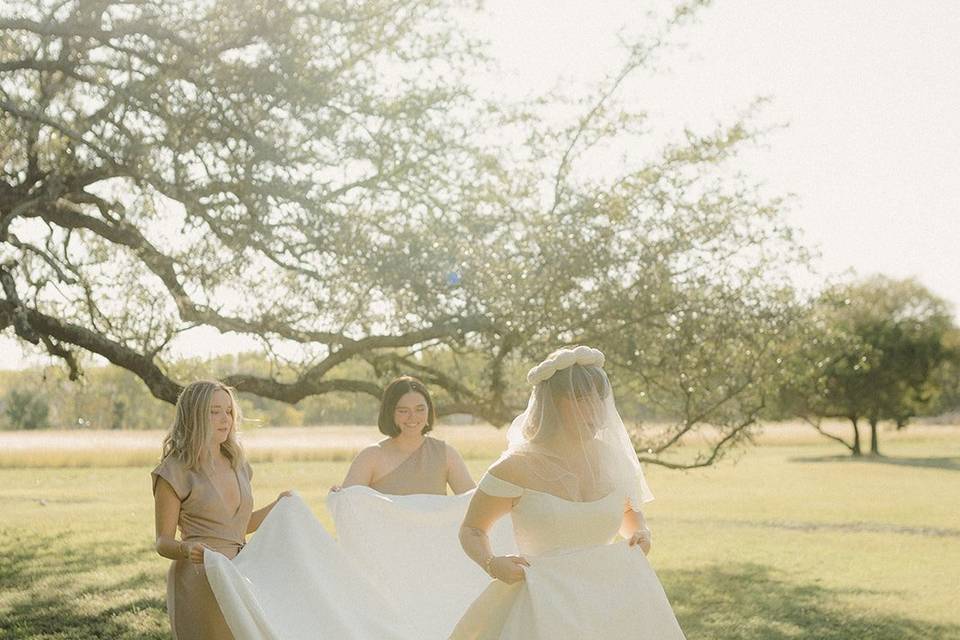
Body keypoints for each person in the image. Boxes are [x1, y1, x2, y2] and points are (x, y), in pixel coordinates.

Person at [451, 346, 686, 639]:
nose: (595, 408)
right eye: (580, 398)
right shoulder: (514, 468)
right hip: (543, 604)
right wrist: (492, 563)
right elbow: (472, 529)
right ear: (551, 403)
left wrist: (640, 532)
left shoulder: (612, 458)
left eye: (599, 398)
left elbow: (627, 510)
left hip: (612, 599)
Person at [152, 380, 291, 640]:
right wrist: (187, 549)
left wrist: (279, 506)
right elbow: (162, 542)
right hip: (200, 578)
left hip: (242, 574)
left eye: (228, 411)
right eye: (214, 411)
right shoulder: (174, 471)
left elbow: (239, 525)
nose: (224, 419)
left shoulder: (238, 464)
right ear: (194, 415)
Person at [337, 375, 475, 495]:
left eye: (419, 409)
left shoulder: (446, 454)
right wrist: (339, 495)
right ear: (390, 413)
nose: (412, 417)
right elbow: (349, 506)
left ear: (429, 410)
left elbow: (473, 503)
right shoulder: (370, 457)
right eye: (403, 411)